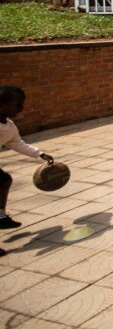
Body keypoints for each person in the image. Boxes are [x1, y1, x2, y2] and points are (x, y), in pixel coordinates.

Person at [0, 86, 53, 250]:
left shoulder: (8, 126)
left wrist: (40, 154)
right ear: (2, 106)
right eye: (17, 105)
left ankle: (1, 216)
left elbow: (16, 143)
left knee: (4, 180)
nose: (21, 108)